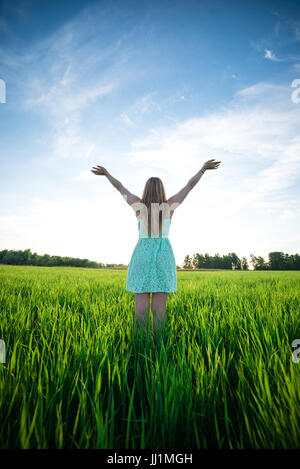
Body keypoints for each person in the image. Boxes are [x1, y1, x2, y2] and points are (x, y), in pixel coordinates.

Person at [91, 158, 221, 339]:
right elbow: (189, 186)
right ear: (162, 191)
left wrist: (106, 174)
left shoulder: (138, 206)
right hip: (163, 256)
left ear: (146, 190)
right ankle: (157, 348)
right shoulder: (169, 207)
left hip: (142, 256)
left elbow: (120, 187)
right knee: (159, 313)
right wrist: (202, 170)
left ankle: (139, 347)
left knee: (141, 313)